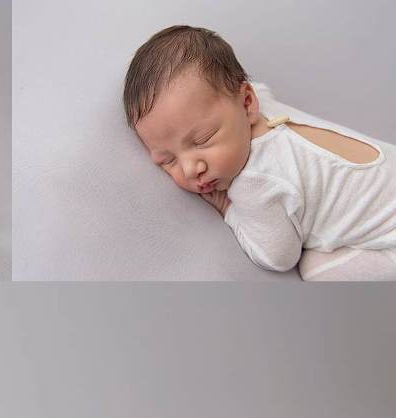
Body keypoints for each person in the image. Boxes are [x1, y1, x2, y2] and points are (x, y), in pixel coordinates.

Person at [123, 26, 396, 280]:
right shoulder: (259, 102)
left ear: (247, 103)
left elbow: (279, 257)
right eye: (167, 160)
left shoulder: (255, 183)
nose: (190, 168)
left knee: (314, 268)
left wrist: (228, 209)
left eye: (203, 139)